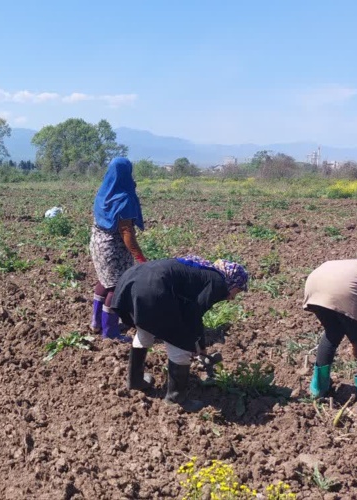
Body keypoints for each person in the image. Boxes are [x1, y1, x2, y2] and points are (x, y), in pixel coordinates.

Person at [112, 255, 249, 411]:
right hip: (154, 290)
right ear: (233, 281)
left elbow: (190, 307)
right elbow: (194, 313)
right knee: (180, 342)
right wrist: (193, 343)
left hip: (134, 279)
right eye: (238, 291)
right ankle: (176, 398)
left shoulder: (205, 272)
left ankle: (135, 381)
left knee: (146, 330)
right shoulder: (219, 283)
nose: (233, 298)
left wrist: (200, 344)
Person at [89, 157, 147, 342]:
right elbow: (126, 231)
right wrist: (140, 258)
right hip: (114, 249)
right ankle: (110, 332)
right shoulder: (123, 197)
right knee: (116, 288)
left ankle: (96, 323)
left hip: (98, 243)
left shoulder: (104, 192)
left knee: (104, 281)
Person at [303, 259, 357, 409]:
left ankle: (318, 388)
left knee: (333, 332)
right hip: (344, 288)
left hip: (315, 284)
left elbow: (352, 322)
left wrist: (354, 341)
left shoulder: (356, 264)